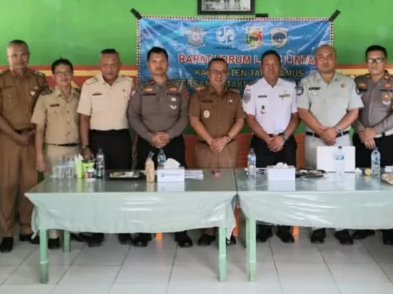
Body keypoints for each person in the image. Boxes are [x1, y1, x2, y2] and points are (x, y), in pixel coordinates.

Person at [296, 45, 362, 245]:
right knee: (315, 183)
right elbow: (303, 111)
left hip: (340, 139)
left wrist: (335, 130)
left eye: (329, 56)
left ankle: (341, 227)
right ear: (315, 60)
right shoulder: (306, 82)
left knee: (342, 184)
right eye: (321, 57)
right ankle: (317, 227)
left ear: (335, 59)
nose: (325, 60)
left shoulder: (348, 82)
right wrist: (322, 131)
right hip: (315, 140)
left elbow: (354, 111)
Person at [0, 39, 49, 253]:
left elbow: (44, 110)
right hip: (8, 139)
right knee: (7, 186)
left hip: (31, 138)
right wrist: (15, 135)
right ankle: (6, 232)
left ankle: (26, 228)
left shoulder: (39, 79)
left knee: (29, 185)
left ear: (29, 55)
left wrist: (31, 134)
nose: (19, 59)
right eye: (14, 55)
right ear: (8, 57)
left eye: (23, 54)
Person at [127, 46, 190, 247]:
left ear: (167, 63)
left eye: (162, 61)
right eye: (154, 61)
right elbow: (133, 116)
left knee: (177, 185)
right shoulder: (140, 88)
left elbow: (184, 117)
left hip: (173, 143)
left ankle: (181, 231)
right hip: (147, 143)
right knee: (146, 186)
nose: (158, 65)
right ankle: (145, 231)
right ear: (148, 64)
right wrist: (149, 136)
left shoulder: (179, 88)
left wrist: (169, 135)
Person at [352, 45, 393, 245]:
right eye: (370, 59)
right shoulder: (357, 82)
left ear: (386, 61)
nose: (374, 63)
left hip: (386, 140)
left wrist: (374, 131)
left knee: (387, 182)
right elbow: (350, 111)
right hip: (361, 140)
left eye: (378, 59)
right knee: (361, 182)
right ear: (365, 62)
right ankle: (365, 226)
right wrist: (362, 131)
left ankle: (388, 228)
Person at [78, 49, 134, 245]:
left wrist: (134, 142)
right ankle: (97, 231)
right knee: (97, 185)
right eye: (105, 65)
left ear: (120, 65)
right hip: (97, 140)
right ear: (100, 66)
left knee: (123, 185)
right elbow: (84, 118)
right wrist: (85, 146)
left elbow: (135, 116)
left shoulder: (128, 83)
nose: (109, 68)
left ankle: (123, 229)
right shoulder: (89, 85)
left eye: (113, 64)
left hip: (121, 138)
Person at [243, 50, 300, 243]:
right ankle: (264, 227)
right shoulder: (252, 88)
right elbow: (250, 119)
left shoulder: (291, 87)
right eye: (267, 64)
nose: (271, 67)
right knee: (261, 185)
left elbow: (296, 117)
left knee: (286, 185)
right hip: (262, 142)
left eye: (275, 63)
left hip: (286, 141)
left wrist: (283, 137)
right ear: (261, 67)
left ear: (280, 66)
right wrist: (268, 139)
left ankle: (284, 227)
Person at [188, 57, 246, 246]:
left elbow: (240, 120)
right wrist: (210, 140)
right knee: (207, 188)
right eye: (215, 71)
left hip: (228, 147)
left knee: (228, 189)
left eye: (223, 71)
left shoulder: (235, 96)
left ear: (227, 74)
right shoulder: (198, 95)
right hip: (206, 148)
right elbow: (194, 120)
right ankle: (207, 231)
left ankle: (226, 231)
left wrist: (225, 139)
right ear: (208, 73)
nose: (219, 75)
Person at [32, 58, 79, 250]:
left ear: (72, 74)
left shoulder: (79, 96)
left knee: (74, 193)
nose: (64, 76)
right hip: (53, 151)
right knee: (52, 194)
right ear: (53, 76)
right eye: (59, 73)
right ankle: (53, 235)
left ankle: (71, 230)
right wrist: (39, 156)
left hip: (76, 151)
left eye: (67, 72)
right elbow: (39, 130)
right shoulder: (45, 99)